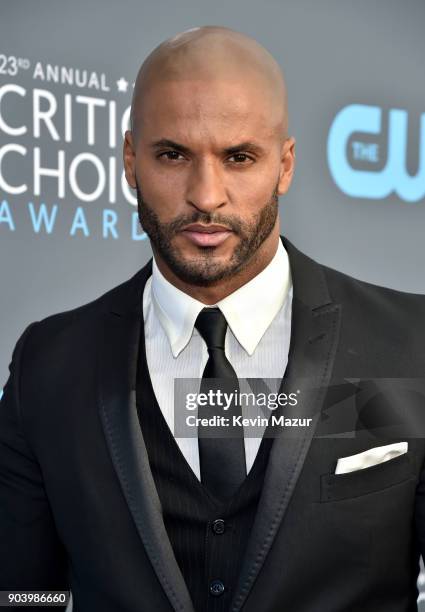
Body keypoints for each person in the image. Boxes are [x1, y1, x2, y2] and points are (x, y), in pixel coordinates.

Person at [1, 25, 425, 612]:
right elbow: (25, 594)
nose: (206, 194)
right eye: (173, 154)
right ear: (130, 162)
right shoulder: (47, 365)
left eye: (239, 157)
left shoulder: (411, 343)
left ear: (285, 165)